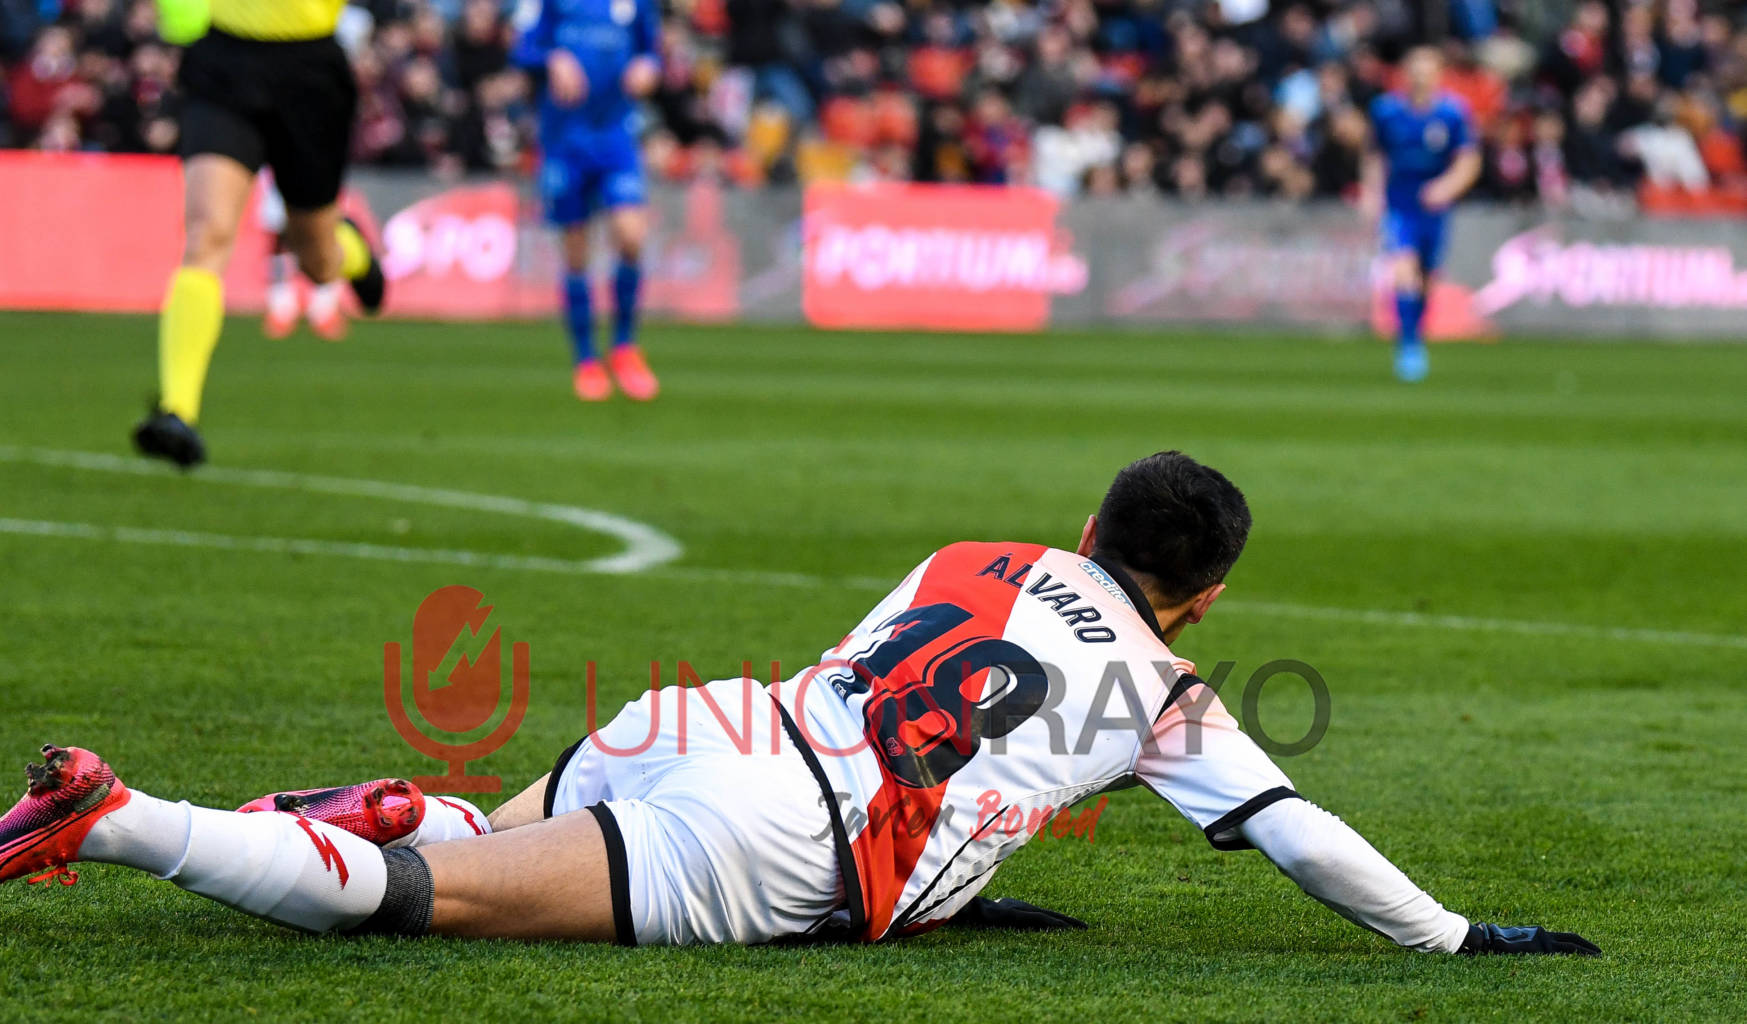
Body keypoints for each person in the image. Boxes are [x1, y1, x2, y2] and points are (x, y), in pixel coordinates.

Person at [0, 452, 1598, 957]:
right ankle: (123, 816)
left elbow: (917, 705)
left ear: (1090, 527)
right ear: (1207, 594)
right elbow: (1297, 836)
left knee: (477, 831)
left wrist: (965, 880)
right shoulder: (1164, 688)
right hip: (780, 838)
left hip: (713, 720)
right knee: (430, 904)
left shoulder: (968, 549)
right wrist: (1450, 936)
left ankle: (377, 809)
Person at [131, 0, 387, 468]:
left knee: (316, 257)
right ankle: (177, 410)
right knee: (207, 231)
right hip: (225, 61)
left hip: (309, 72)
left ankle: (351, 252)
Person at [512, 0, 662, 403]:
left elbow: (652, 51)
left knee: (631, 236)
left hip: (616, 136)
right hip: (564, 141)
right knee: (576, 252)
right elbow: (521, 48)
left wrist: (648, 67)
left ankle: (625, 346)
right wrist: (552, 58)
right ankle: (586, 360)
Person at [1363, 46, 1480, 383]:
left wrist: (1447, 186)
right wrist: (1371, 193)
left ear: (1438, 74)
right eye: (1414, 70)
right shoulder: (1386, 111)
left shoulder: (1453, 113)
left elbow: (1469, 160)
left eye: (1426, 71)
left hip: (1434, 207)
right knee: (1404, 271)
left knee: (1427, 278)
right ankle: (1409, 345)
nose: (1420, 77)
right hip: (1399, 204)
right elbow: (1374, 155)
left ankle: (1416, 330)